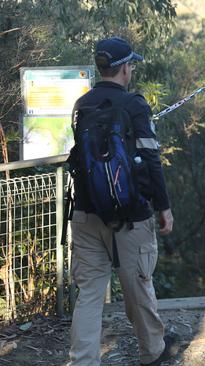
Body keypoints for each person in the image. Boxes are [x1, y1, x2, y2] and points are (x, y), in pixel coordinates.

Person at [67, 36, 178, 366]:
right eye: (131, 64)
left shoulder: (81, 105)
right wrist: (164, 207)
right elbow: (151, 159)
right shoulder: (135, 106)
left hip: (86, 212)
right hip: (131, 215)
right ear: (126, 68)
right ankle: (153, 352)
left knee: (88, 293)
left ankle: (83, 361)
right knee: (138, 285)